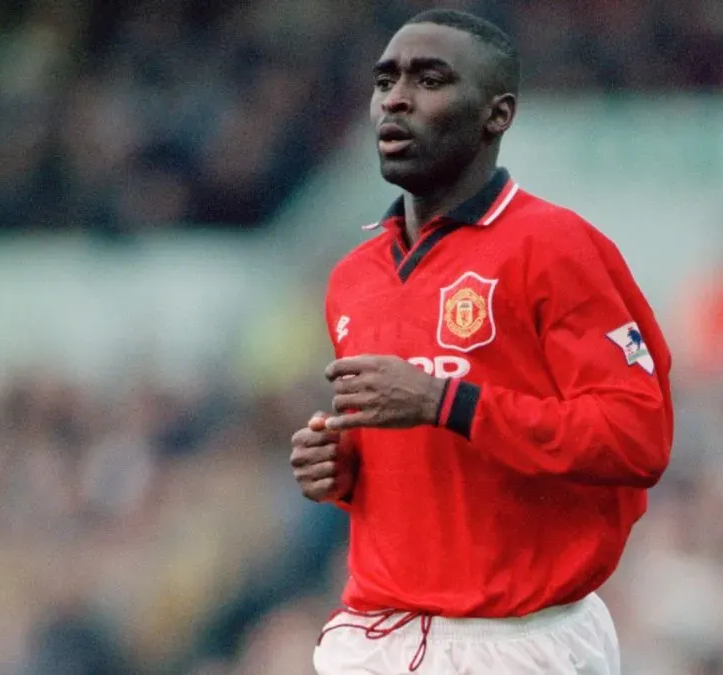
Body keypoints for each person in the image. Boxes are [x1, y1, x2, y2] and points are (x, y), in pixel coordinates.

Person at [288, 9, 674, 674]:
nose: (396, 99)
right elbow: (433, 473)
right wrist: (344, 472)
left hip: (519, 638)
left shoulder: (554, 246)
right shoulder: (354, 276)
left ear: (497, 114)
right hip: (377, 633)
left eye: (429, 79)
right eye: (385, 81)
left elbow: (636, 437)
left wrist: (447, 401)